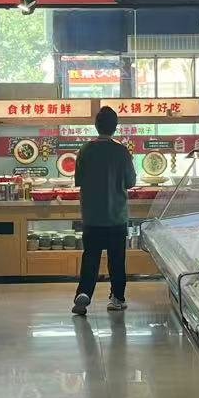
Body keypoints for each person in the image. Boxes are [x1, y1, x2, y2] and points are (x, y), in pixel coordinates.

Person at [71, 106, 136, 316]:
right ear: (115, 127)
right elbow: (131, 182)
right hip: (117, 216)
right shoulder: (121, 151)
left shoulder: (85, 150)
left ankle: (84, 294)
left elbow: (79, 180)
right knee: (117, 260)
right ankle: (117, 298)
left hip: (92, 217)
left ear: (96, 126)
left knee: (90, 258)